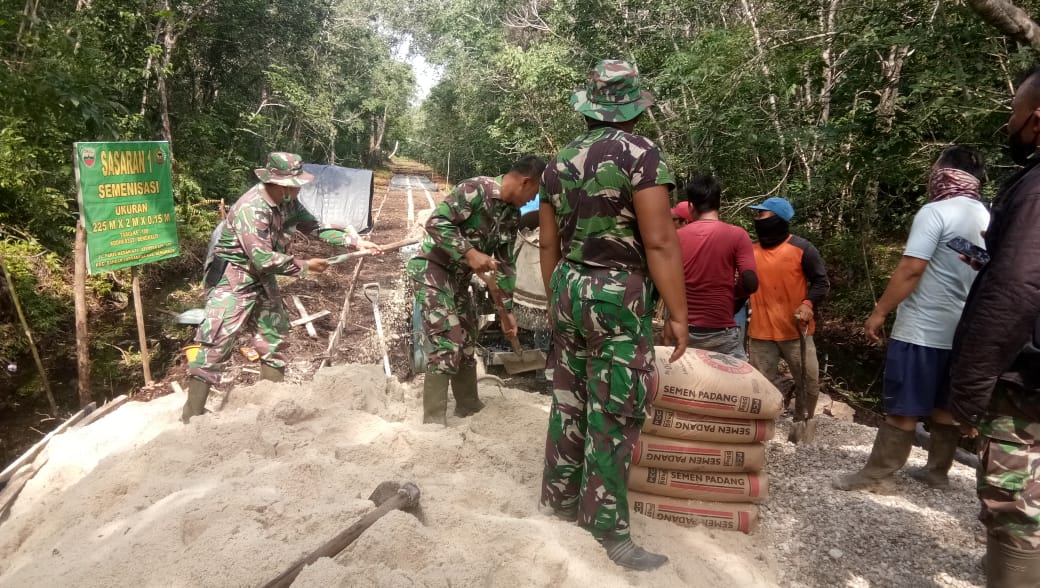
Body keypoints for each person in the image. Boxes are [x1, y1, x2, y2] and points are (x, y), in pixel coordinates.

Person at [538, 59, 687, 572]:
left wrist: (560, 297)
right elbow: (661, 240)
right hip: (616, 296)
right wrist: (680, 314)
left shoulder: (558, 161)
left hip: (568, 286)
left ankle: (557, 500)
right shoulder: (642, 155)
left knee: (568, 398)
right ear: (631, 108)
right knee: (615, 412)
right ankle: (608, 531)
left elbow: (549, 244)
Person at [834, 146, 989, 493]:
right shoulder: (987, 216)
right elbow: (978, 268)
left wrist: (880, 311)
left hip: (922, 326)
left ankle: (877, 475)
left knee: (902, 407)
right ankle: (937, 472)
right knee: (943, 404)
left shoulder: (935, 212)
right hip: (962, 331)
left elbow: (912, 268)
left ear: (943, 172)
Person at [184, 152, 380, 423]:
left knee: (273, 337)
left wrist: (355, 243)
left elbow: (317, 227)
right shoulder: (251, 209)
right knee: (216, 345)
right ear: (274, 182)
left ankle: (271, 406)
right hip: (233, 278)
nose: (298, 188)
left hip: (262, 277)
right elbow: (263, 258)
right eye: (292, 184)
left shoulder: (289, 202)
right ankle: (191, 416)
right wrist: (306, 266)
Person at [947, 67, 1040, 586]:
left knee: (1015, 506)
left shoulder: (1036, 189)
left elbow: (1018, 289)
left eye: (1015, 114)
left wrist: (969, 387)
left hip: (1026, 386)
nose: (1011, 124)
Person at [407, 155, 546, 425]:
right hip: (431, 270)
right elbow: (436, 223)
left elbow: (505, 268)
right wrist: (469, 252)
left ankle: (468, 406)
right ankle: (434, 419)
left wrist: (507, 312)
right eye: (535, 193)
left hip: (458, 279)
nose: (532, 200)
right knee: (448, 339)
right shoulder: (475, 190)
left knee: (469, 337)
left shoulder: (511, 215)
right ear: (526, 182)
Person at [747, 197, 829, 422]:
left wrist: (808, 303)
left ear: (777, 218)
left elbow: (821, 282)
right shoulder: (750, 250)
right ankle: (762, 424)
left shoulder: (802, 248)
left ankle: (803, 421)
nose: (757, 219)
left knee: (809, 383)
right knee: (758, 385)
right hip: (760, 333)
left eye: (762, 214)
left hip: (796, 332)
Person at [677, 174, 758, 360]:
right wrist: (732, 295)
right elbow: (751, 281)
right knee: (735, 386)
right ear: (718, 203)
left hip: (682, 330)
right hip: (721, 331)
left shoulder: (677, 237)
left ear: (691, 205)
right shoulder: (737, 235)